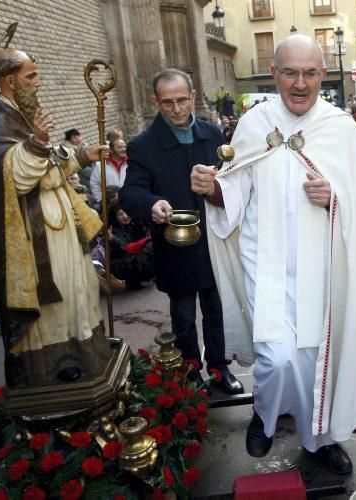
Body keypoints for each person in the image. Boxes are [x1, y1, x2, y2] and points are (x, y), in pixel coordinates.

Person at [191, 35, 356, 473]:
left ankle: (319, 440)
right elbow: (234, 190)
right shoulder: (254, 122)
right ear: (275, 74)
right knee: (275, 357)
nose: (300, 83)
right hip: (264, 264)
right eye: (290, 72)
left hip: (322, 269)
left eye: (309, 73)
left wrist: (334, 197)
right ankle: (265, 419)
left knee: (314, 359)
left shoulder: (340, 127)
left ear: (323, 75)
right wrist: (213, 190)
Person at [0, 48, 112, 387]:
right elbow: (12, 176)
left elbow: (49, 159)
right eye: (31, 76)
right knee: (55, 299)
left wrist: (82, 155)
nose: (38, 82)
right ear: (9, 80)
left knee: (78, 288)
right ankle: (56, 363)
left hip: (59, 226)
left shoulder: (20, 111)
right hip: (35, 238)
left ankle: (86, 352)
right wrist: (35, 143)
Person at [120, 69, 243, 393]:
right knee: (185, 317)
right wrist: (152, 204)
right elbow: (130, 192)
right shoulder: (143, 146)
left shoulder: (213, 134)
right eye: (167, 102)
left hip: (215, 242)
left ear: (192, 97)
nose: (176, 109)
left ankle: (219, 369)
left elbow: (233, 180)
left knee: (217, 310)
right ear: (155, 102)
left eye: (181, 100)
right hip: (176, 246)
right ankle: (190, 372)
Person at [89, 138, 128, 204]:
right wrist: (101, 200)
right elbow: (94, 183)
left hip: (130, 202)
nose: (123, 149)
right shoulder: (101, 165)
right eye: (120, 147)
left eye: (124, 147)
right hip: (110, 205)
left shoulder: (131, 163)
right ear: (111, 150)